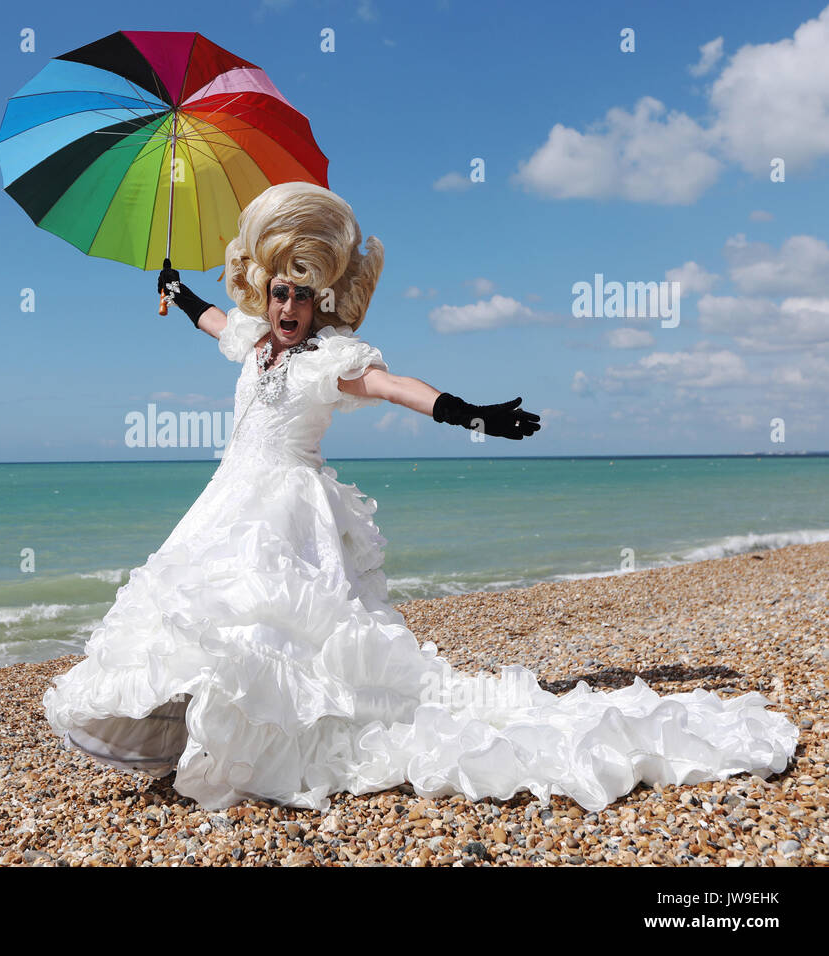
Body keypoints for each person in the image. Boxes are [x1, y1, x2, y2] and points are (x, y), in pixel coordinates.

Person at [42, 182, 798, 814]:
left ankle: (269, 741)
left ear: (322, 301)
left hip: (287, 508)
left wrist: (471, 413)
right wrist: (178, 289)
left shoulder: (328, 361)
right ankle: (194, 728)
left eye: (305, 297)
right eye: (280, 293)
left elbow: (394, 386)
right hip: (225, 498)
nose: (289, 308)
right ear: (264, 288)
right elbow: (213, 323)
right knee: (203, 615)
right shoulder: (250, 340)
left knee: (273, 630)